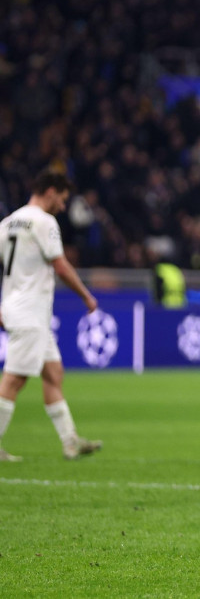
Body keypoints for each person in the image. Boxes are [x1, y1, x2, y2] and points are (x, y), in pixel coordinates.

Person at [0, 172, 102, 461]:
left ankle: (70, 442)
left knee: (53, 373)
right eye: (62, 198)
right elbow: (60, 265)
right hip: (30, 312)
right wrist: (86, 295)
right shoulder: (45, 222)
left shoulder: (7, 222)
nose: (62, 205)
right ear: (49, 192)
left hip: (20, 309)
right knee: (13, 380)